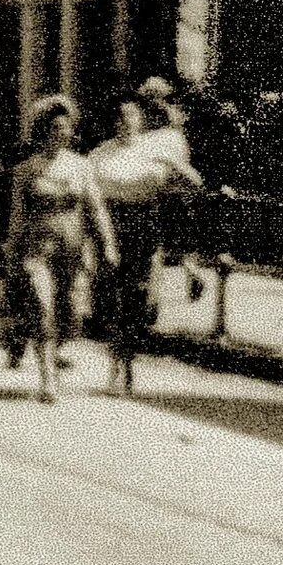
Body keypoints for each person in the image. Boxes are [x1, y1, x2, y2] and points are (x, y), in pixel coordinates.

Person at [0, 96, 120, 403]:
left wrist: (106, 243)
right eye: (54, 128)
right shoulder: (27, 170)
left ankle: (39, 342)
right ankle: (47, 378)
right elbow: (17, 216)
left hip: (73, 250)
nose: (61, 134)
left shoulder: (81, 167)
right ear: (43, 131)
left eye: (65, 129)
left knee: (72, 318)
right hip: (37, 248)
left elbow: (96, 209)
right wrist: (11, 255)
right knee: (43, 308)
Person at [88, 96, 204, 394]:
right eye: (119, 118)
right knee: (113, 298)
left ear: (140, 121)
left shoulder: (157, 149)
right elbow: (87, 195)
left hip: (144, 224)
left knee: (141, 299)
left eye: (130, 117)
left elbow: (194, 183)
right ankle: (118, 364)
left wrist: (176, 169)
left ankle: (127, 357)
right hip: (111, 225)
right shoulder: (100, 154)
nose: (124, 123)